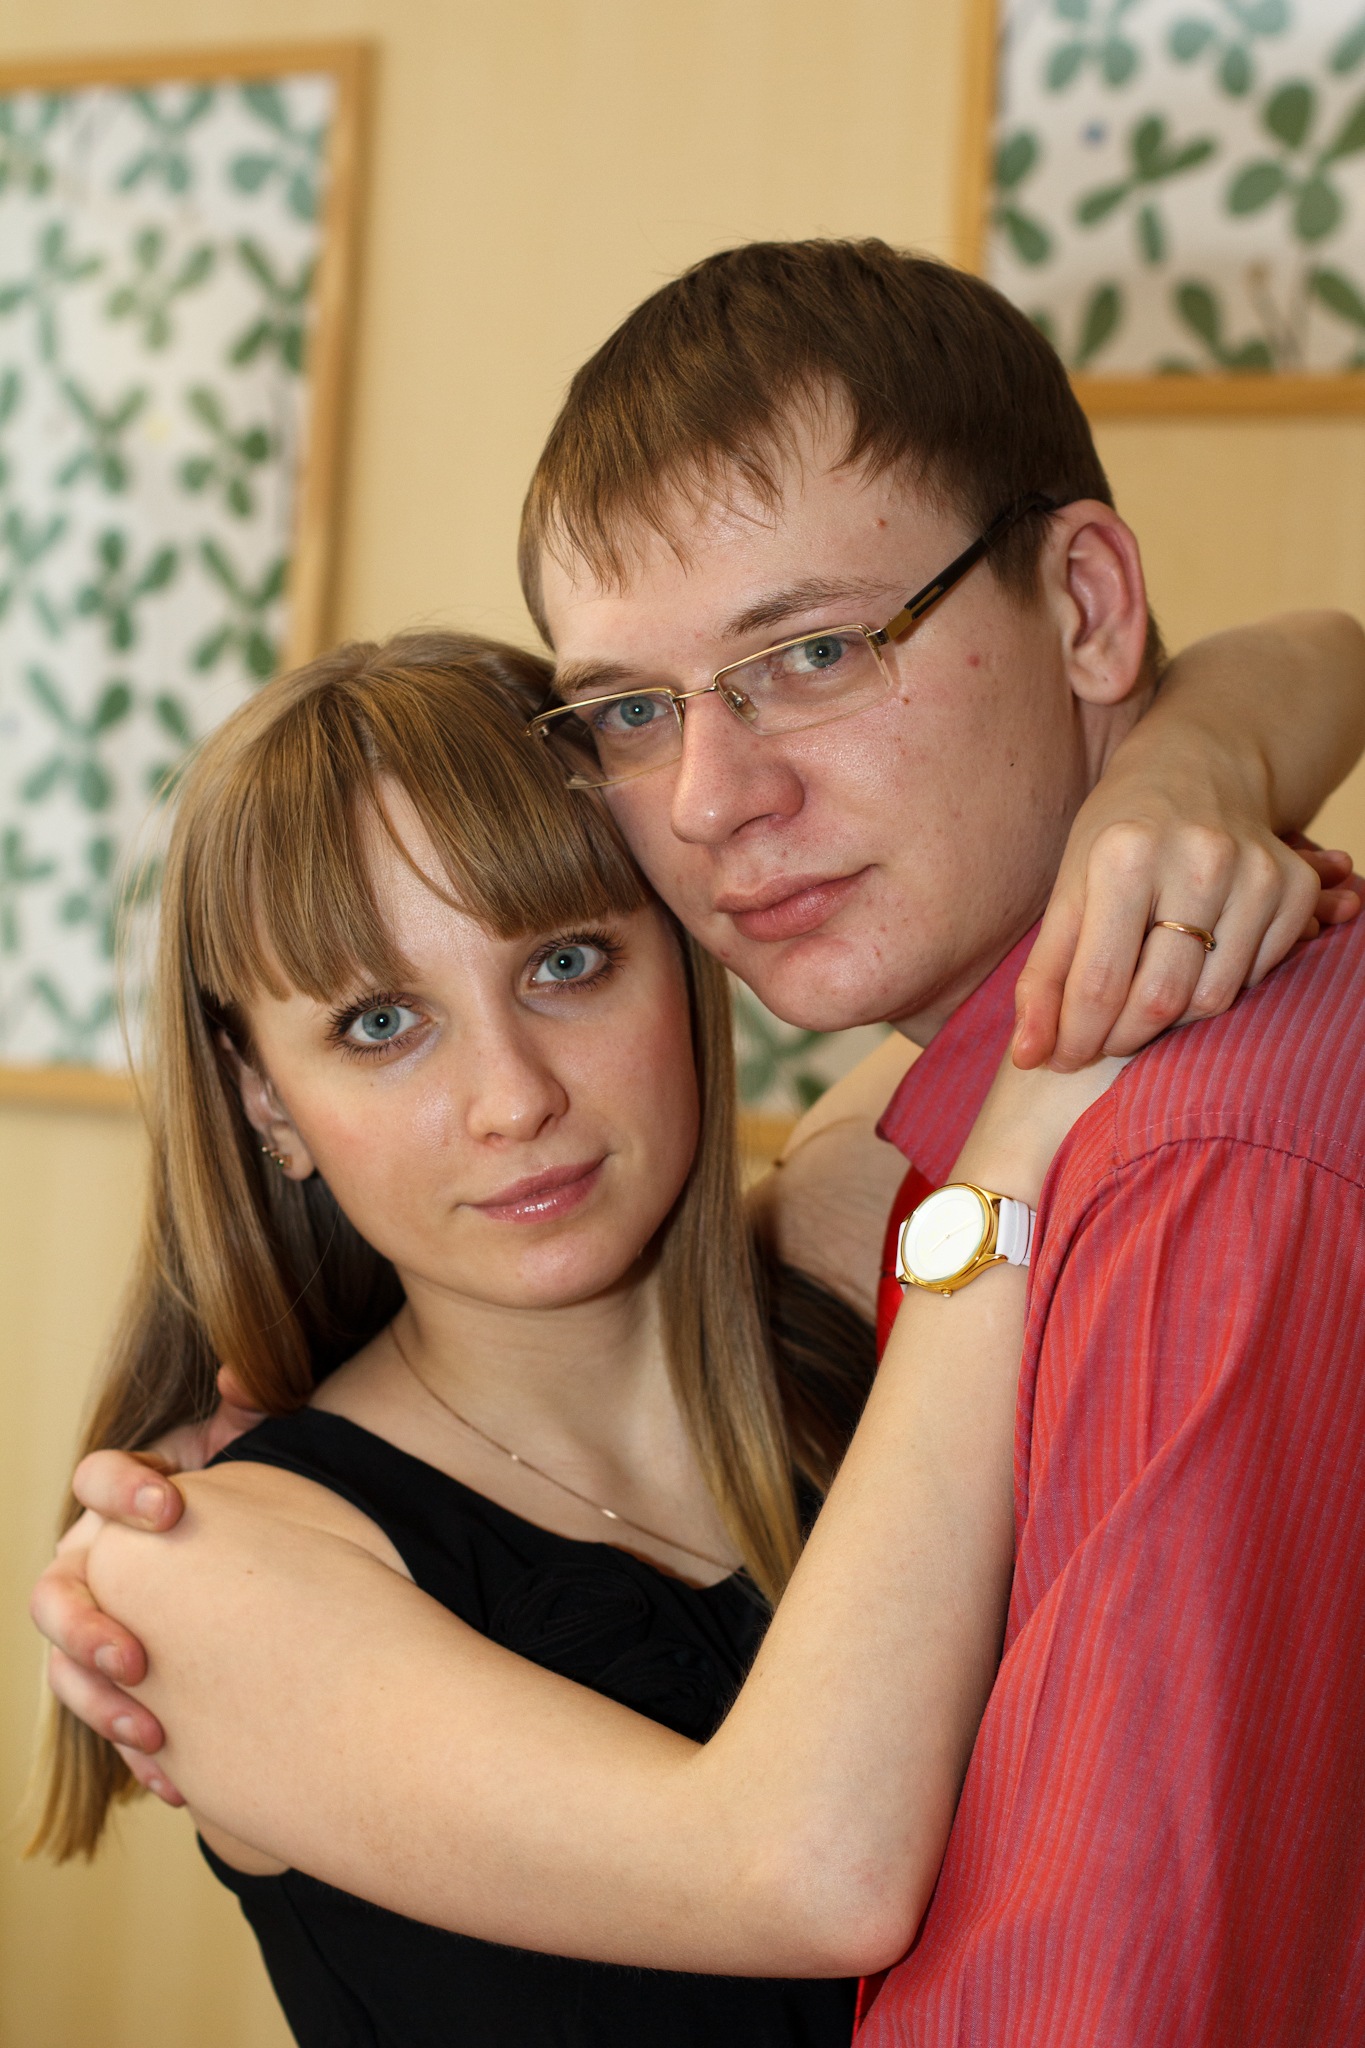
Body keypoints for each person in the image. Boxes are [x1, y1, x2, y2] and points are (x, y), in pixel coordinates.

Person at [35, 244, 1365, 2040]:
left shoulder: (830, 1240)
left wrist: (1174, 782)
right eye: (377, 1026)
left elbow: (1310, 653)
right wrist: (1033, 1110)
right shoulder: (190, 1572)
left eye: (566, 965)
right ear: (261, 1098)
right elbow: (811, 1870)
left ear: (675, 948)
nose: (509, 1097)